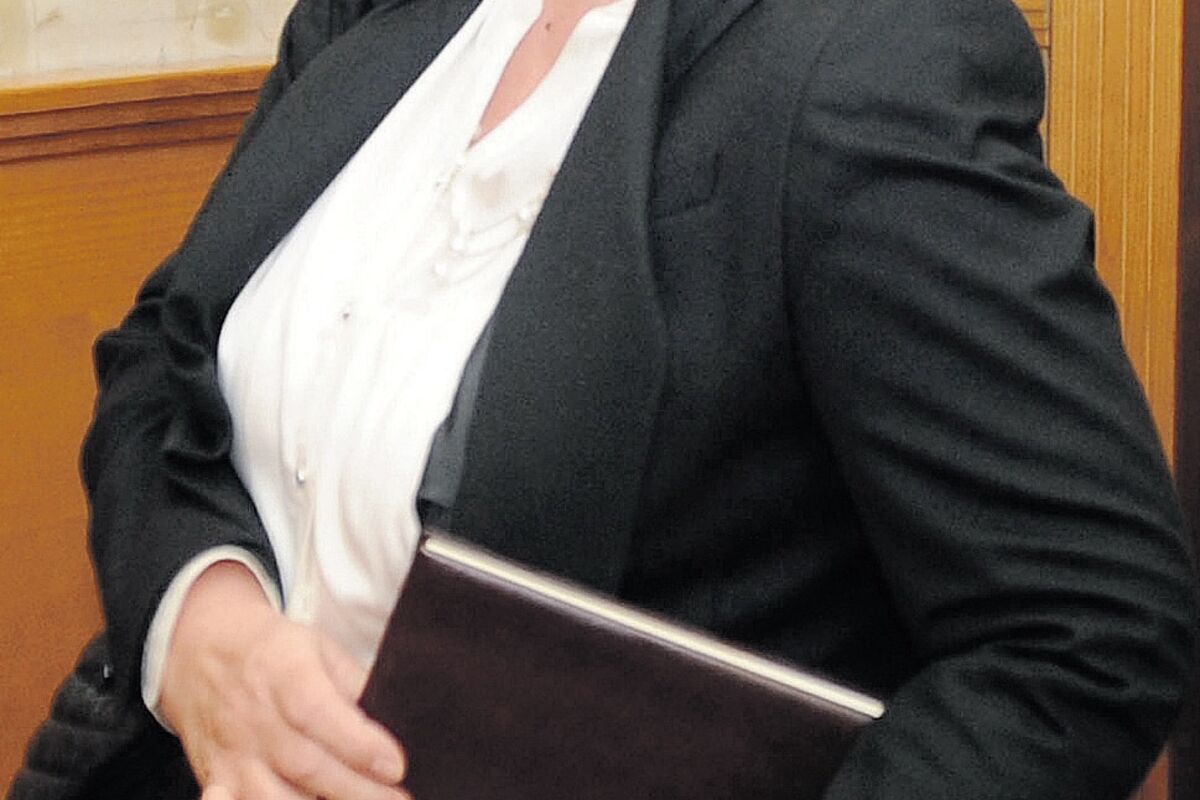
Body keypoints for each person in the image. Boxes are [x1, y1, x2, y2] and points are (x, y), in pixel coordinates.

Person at [55, 0, 1200, 796]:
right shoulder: (377, 12)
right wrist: (202, 624)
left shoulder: (867, 51)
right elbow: (164, 353)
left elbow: (1089, 629)